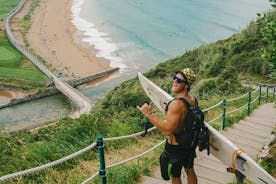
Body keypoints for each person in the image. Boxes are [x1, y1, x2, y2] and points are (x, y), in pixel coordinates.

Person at [137, 68, 197, 184]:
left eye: (179, 80)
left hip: (175, 148)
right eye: (175, 78)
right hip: (188, 143)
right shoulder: (192, 99)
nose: (174, 81)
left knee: (175, 176)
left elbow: (168, 130)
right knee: (190, 170)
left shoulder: (177, 104)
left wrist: (149, 114)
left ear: (186, 85)